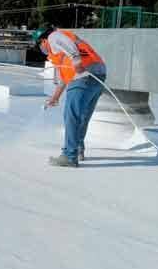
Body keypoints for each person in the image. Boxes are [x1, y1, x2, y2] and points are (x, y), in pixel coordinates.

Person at [34, 27, 107, 167]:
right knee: (83, 116)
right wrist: (55, 97)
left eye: (39, 45)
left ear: (42, 40)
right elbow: (64, 79)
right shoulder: (60, 54)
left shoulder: (53, 37)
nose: (41, 49)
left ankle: (69, 155)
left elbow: (66, 43)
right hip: (98, 75)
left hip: (82, 76)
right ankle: (78, 149)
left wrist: (76, 60)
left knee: (72, 115)